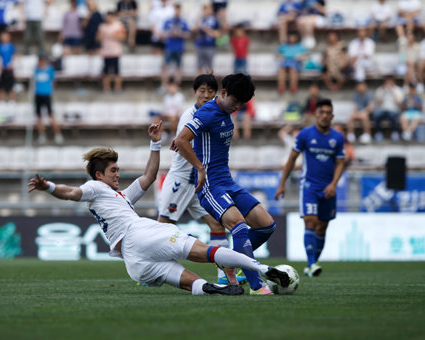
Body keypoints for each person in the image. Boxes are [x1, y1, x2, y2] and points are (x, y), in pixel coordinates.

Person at [28, 122, 290, 295]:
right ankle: (263, 270)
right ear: (99, 175)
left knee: (186, 280)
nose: (118, 174)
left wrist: (155, 144)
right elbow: (72, 193)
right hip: (140, 233)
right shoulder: (95, 189)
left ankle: (218, 288)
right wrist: (49, 186)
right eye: (113, 170)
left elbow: (148, 177)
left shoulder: (119, 197)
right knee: (205, 252)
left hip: (134, 261)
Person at [172, 73, 283, 295]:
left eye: (241, 105)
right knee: (239, 226)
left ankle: (229, 261)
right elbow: (181, 140)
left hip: (228, 182)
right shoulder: (208, 112)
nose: (236, 108)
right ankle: (256, 285)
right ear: (223, 93)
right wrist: (200, 168)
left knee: (266, 224)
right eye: (235, 102)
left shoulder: (225, 112)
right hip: (211, 185)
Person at [157, 74, 242, 285]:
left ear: (216, 93)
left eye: (210, 91)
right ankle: (153, 268)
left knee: (215, 223)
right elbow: (183, 142)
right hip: (182, 179)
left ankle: (224, 274)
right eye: (202, 90)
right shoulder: (190, 115)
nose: (206, 95)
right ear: (195, 92)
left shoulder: (215, 112)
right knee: (163, 226)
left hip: (198, 182)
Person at [275, 98, 345, 277]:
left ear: (332, 115)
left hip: (328, 189)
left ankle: (312, 262)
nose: (323, 116)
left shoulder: (337, 138)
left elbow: (340, 163)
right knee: (310, 221)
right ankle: (312, 263)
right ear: (316, 114)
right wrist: (282, 184)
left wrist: (334, 184)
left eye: (327, 113)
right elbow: (291, 159)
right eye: (320, 112)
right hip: (309, 186)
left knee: (322, 227)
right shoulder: (305, 134)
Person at [33, 54, 63, 144]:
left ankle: (57, 134)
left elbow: (53, 81)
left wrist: (50, 89)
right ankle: (42, 135)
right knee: (39, 116)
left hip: (46, 95)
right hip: (38, 95)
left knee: (51, 115)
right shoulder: (36, 70)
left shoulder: (50, 70)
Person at [161, 3, 190, 89]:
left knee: (178, 67)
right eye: (175, 9)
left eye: (178, 10)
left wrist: (180, 34)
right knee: (166, 67)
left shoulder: (183, 22)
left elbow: (188, 35)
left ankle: (177, 85)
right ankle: (164, 86)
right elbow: (162, 34)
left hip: (179, 47)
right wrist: (170, 33)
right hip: (169, 47)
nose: (176, 11)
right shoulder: (168, 21)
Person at [97, 11, 126, 93]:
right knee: (105, 72)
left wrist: (110, 35)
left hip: (115, 52)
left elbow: (122, 37)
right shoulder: (102, 26)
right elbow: (98, 38)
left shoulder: (118, 25)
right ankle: (106, 88)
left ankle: (118, 88)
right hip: (106, 52)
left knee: (117, 72)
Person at [373, 75, 403, 143]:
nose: (389, 83)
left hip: (393, 110)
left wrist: (392, 92)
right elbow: (377, 103)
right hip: (382, 110)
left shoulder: (397, 89)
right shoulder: (380, 89)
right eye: (387, 82)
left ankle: (395, 133)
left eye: (390, 81)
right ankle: (379, 133)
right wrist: (383, 92)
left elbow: (399, 103)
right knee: (376, 115)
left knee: (393, 116)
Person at [194, 4, 221, 74]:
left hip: (210, 46)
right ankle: (199, 83)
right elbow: (195, 29)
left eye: (208, 9)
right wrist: (198, 18)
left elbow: (218, 34)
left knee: (209, 67)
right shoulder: (201, 20)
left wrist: (208, 31)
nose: (207, 11)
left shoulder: (215, 20)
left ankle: (210, 83)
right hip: (200, 45)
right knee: (199, 66)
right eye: (205, 9)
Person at [0, 30, 16, 102]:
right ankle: (1, 101)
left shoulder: (11, 46)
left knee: (11, 86)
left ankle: (12, 101)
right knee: (1, 87)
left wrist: (12, 64)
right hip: (2, 69)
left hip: (9, 69)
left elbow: (14, 56)